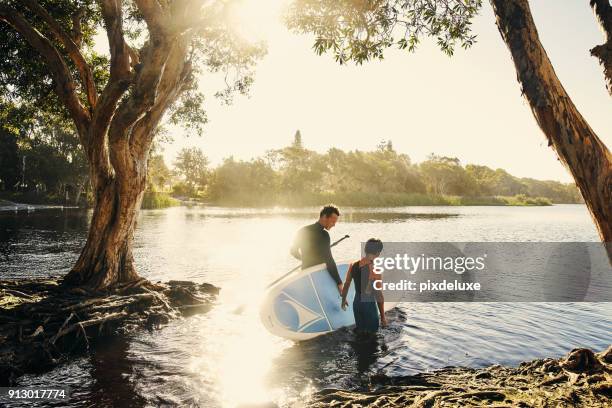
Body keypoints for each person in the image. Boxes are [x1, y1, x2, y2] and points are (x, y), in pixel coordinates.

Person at [290, 204, 343, 294]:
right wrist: (339, 282)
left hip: (306, 274)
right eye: (333, 221)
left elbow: (293, 251)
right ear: (324, 217)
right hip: (319, 275)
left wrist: (305, 260)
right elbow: (329, 260)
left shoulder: (303, 230)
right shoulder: (324, 235)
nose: (334, 225)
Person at [341, 238, 387, 334]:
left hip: (356, 304)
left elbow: (346, 284)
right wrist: (383, 317)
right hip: (368, 305)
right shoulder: (375, 269)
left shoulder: (353, 265)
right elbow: (379, 295)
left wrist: (343, 300)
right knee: (372, 336)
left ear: (365, 250)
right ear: (378, 253)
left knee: (360, 333)